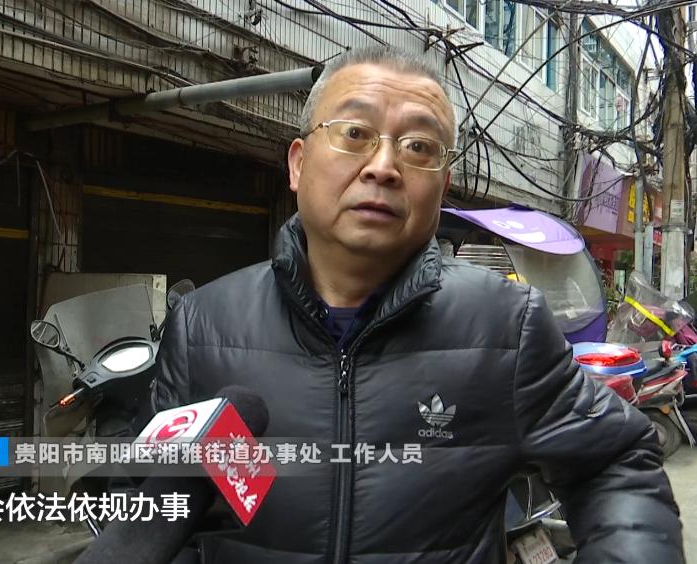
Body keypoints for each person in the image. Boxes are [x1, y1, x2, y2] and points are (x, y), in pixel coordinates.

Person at [142, 46, 684, 563]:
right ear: (298, 164)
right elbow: (151, 504)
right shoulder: (202, 327)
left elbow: (615, 462)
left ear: (442, 186)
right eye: (355, 134)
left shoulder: (505, 327)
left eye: (419, 147)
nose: (383, 166)